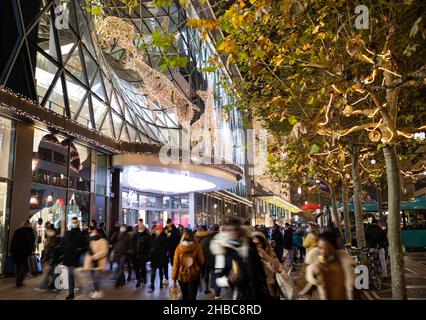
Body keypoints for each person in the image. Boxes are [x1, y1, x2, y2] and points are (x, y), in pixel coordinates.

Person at [210, 218, 270, 300]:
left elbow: (259, 269)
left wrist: (265, 287)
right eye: (229, 230)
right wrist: (229, 280)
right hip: (241, 294)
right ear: (225, 232)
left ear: (240, 230)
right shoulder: (222, 251)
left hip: (258, 291)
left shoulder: (249, 245)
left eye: (236, 229)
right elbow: (217, 279)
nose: (233, 232)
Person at [304, 231, 355, 300]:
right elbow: (304, 286)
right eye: (320, 248)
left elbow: (352, 287)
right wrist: (313, 273)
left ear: (334, 247)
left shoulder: (344, 261)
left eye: (328, 248)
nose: (324, 252)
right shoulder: (315, 264)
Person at [252, 231, 294, 299]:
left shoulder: (270, 253)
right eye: (254, 244)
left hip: (271, 287)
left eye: (258, 243)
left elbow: (276, 267)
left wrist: (263, 253)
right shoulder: (249, 256)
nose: (256, 246)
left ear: (263, 243)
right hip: (257, 289)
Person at [172, 230, 205, 300]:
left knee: (184, 295)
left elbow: (176, 264)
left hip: (181, 276)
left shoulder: (178, 248)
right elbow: (201, 261)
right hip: (194, 275)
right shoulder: (197, 247)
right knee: (192, 296)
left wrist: (174, 277)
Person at [62, 217, 87, 299]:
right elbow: (63, 243)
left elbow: (84, 246)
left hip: (76, 258)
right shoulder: (67, 233)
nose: (74, 223)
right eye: (73, 222)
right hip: (68, 257)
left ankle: (75, 291)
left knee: (73, 275)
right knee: (71, 275)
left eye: (75, 222)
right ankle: (71, 292)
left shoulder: (81, 233)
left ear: (78, 223)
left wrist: (78, 250)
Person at [83, 226, 109, 299]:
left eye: (94, 231)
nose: (93, 232)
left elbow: (104, 251)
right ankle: (95, 290)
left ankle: (98, 291)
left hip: (98, 262)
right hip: (91, 262)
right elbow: (88, 251)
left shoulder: (102, 240)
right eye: (92, 231)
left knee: (96, 278)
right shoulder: (89, 240)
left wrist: (94, 257)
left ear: (97, 232)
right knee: (93, 278)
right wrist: (89, 260)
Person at [10, 220, 36, 287]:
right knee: (23, 266)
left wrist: (11, 250)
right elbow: (31, 243)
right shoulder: (30, 232)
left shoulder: (17, 231)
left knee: (18, 265)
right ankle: (20, 281)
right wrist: (31, 251)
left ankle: (18, 280)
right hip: (24, 252)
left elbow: (13, 241)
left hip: (16, 251)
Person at [36, 225, 61, 292]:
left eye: (47, 231)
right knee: (53, 273)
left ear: (51, 231)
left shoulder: (56, 238)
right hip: (51, 259)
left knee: (52, 273)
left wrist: (47, 257)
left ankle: (43, 286)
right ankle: (52, 285)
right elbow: (47, 250)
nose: (46, 232)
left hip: (54, 259)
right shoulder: (49, 238)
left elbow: (55, 249)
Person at [197, 224, 219, 295]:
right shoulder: (216, 238)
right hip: (213, 259)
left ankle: (206, 288)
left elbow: (201, 249)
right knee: (213, 274)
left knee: (206, 273)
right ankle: (214, 289)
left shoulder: (204, 239)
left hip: (205, 259)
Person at [149, 225, 169, 292]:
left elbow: (166, 248)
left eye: (157, 230)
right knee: (153, 272)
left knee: (161, 271)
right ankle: (152, 285)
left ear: (160, 231)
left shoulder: (163, 237)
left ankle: (160, 283)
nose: (156, 231)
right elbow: (150, 245)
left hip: (161, 257)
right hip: (154, 257)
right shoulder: (153, 237)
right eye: (156, 229)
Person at [132, 223, 151, 287]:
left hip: (143, 254)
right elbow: (132, 245)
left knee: (143, 268)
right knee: (136, 268)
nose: (140, 229)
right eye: (139, 228)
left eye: (141, 228)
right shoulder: (135, 235)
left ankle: (143, 277)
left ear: (144, 228)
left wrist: (148, 254)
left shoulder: (147, 236)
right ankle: (138, 280)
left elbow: (149, 246)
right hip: (136, 254)